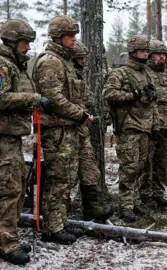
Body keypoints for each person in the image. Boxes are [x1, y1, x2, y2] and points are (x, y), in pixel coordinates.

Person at [32, 15, 93, 245]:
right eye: (70, 36)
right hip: (57, 130)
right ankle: (51, 228)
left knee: (66, 179)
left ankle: (61, 221)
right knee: (57, 179)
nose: (74, 40)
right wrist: (80, 114)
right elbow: (54, 98)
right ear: (59, 37)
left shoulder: (65, 61)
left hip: (68, 129)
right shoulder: (50, 61)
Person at [0, 18, 45, 265]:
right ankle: (7, 243)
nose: (28, 47)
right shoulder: (2, 64)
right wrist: (32, 98)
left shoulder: (15, 65)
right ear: (11, 40)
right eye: (24, 43)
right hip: (2, 139)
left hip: (12, 137)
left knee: (15, 188)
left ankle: (7, 238)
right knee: (8, 190)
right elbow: (1, 97)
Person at [104, 34, 161, 222]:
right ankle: (125, 205)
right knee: (129, 168)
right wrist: (133, 94)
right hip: (128, 126)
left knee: (140, 167)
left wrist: (156, 125)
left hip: (145, 127)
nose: (146, 54)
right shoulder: (120, 73)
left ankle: (135, 201)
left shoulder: (146, 74)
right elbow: (109, 94)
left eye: (147, 51)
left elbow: (152, 104)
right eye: (143, 51)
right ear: (133, 51)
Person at [138, 40, 167, 209]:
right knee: (146, 163)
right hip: (149, 128)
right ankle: (144, 195)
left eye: (164, 55)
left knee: (162, 163)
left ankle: (158, 193)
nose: (162, 58)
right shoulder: (144, 74)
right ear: (150, 56)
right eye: (158, 54)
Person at [71, 40, 113, 222]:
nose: (83, 62)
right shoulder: (62, 73)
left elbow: (89, 100)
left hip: (81, 130)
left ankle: (94, 209)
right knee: (66, 176)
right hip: (66, 130)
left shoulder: (79, 78)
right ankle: (58, 218)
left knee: (90, 170)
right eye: (79, 58)